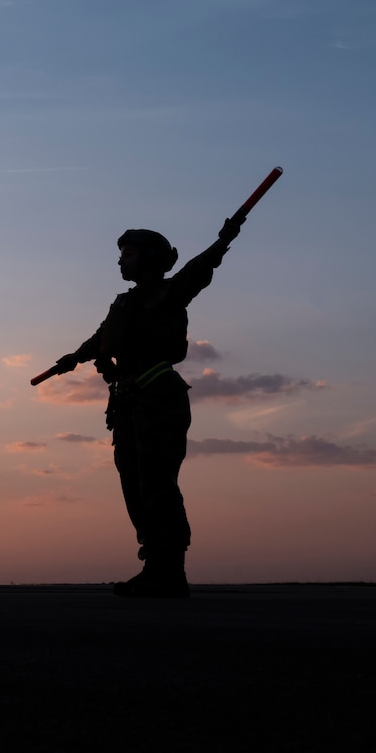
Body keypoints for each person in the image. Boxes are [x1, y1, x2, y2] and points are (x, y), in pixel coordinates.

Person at [49, 215, 246, 597]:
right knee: (135, 486)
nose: (121, 261)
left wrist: (223, 241)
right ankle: (155, 564)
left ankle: (169, 571)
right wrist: (74, 357)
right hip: (127, 403)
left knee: (157, 484)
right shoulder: (126, 302)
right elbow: (103, 337)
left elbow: (199, 269)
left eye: (129, 254)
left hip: (157, 396)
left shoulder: (169, 293)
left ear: (151, 258)